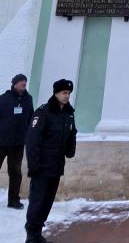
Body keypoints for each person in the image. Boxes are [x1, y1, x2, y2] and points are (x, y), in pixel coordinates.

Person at [25, 79, 77, 243]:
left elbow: (72, 133)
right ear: (56, 93)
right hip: (41, 167)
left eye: (68, 93)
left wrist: (70, 151)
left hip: (56, 166)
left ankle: (38, 233)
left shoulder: (68, 113)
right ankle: (31, 236)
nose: (67, 96)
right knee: (38, 201)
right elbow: (33, 140)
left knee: (47, 202)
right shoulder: (43, 112)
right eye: (64, 93)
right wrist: (33, 166)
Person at [0, 73, 34, 210]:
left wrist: (28, 133)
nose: (24, 84)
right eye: (21, 82)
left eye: (25, 82)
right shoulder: (3, 99)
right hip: (1, 142)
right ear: (15, 84)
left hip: (18, 143)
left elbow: (31, 118)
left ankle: (13, 200)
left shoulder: (28, 99)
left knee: (15, 172)